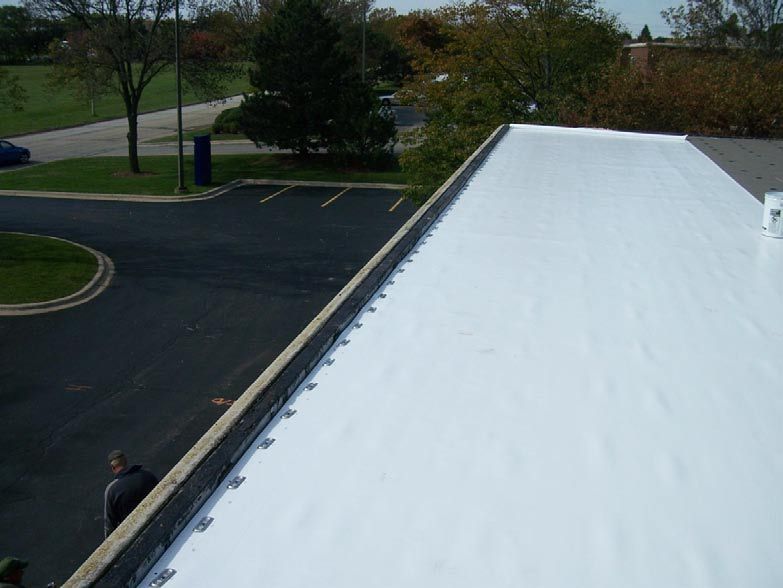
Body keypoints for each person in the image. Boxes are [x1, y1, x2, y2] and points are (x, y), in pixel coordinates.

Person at [104, 450, 159, 538]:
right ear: (126, 462)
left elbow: (109, 524)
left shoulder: (112, 490)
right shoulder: (147, 475)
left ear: (113, 468)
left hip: (134, 535)